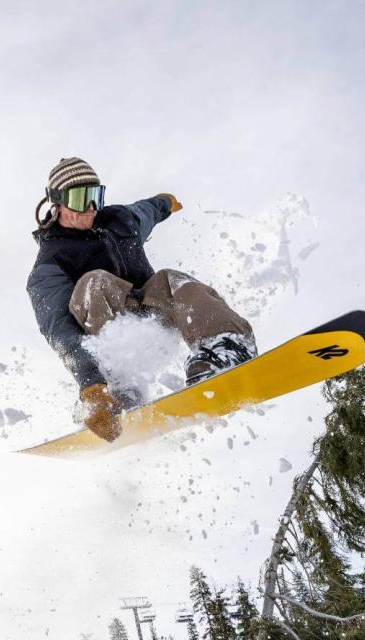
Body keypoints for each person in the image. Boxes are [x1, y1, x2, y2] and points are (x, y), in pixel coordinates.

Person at [26, 157, 257, 443]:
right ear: (58, 202)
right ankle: (118, 390)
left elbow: (147, 210)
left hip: (150, 310)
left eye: (96, 196)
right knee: (93, 282)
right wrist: (90, 384)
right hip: (106, 335)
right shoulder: (49, 263)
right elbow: (59, 329)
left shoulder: (120, 220)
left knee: (171, 279)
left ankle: (225, 348)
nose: (91, 207)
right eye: (80, 198)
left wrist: (165, 203)